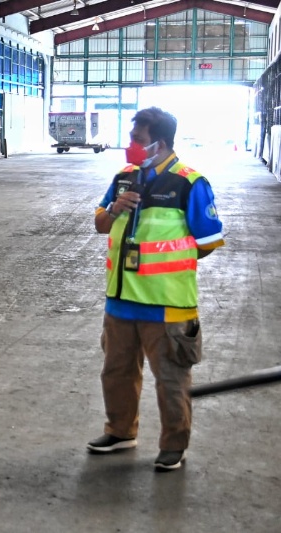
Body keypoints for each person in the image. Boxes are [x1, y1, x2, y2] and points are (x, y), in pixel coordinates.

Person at [88, 107, 225, 471]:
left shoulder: (189, 183)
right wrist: (116, 208)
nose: (131, 146)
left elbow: (208, 241)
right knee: (116, 372)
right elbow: (101, 224)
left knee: (171, 379)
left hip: (165, 305)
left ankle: (173, 446)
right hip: (120, 302)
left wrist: (168, 260)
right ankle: (120, 431)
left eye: (138, 140)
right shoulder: (123, 178)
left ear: (159, 143)